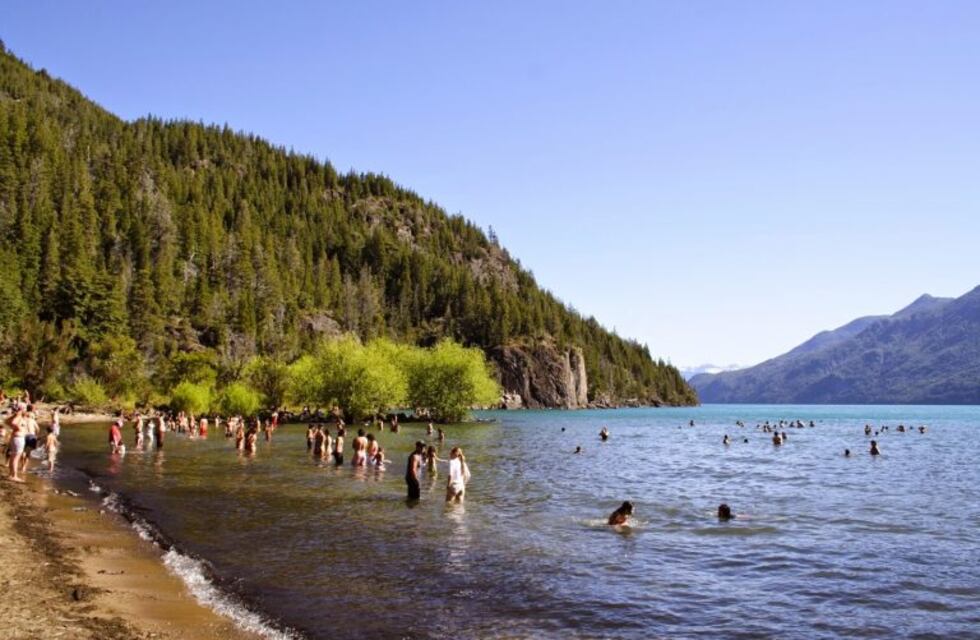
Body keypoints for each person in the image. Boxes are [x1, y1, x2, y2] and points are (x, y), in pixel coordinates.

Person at [5, 408, 27, 482]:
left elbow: (6, 422)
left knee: (13, 457)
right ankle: (14, 476)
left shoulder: (19, 417)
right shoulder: (19, 417)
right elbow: (13, 423)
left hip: (15, 438)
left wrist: (14, 416)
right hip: (18, 439)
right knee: (16, 458)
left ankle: (11, 474)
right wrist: (18, 428)